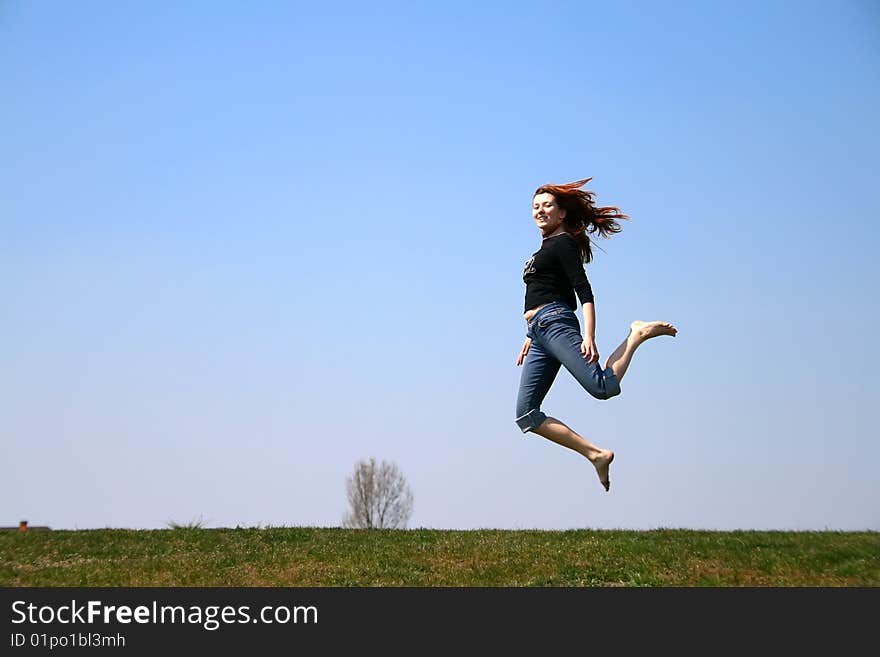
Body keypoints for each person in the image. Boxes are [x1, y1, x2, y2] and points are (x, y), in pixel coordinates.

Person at [515, 177, 677, 492]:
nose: (540, 210)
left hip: (557, 323)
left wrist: (590, 336)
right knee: (525, 414)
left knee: (602, 387)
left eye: (547, 205)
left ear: (561, 213)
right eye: (536, 206)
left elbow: (584, 293)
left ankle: (637, 334)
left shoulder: (563, 243)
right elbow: (547, 291)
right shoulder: (546, 247)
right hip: (539, 332)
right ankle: (595, 454)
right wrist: (530, 335)